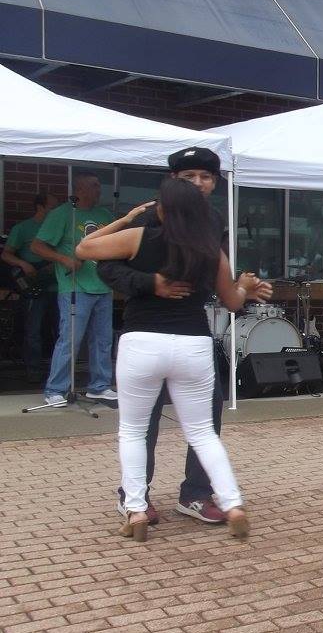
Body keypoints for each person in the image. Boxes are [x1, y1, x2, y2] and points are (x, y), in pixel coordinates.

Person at [76, 178, 269, 541]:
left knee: (133, 430)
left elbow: (85, 248)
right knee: (202, 434)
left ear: (160, 209)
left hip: (143, 342)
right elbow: (232, 302)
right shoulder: (212, 250)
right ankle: (233, 504)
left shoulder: (140, 237)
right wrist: (243, 285)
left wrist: (128, 218)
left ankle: (135, 509)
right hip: (192, 345)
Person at [98, 147, 236, 526]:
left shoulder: (213, 219)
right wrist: (148, 284)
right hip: (145, 332)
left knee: (207, 417)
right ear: (172, 180)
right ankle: (134, 497)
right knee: (144, 421)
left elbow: (218, 271)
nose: (198, 183)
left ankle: (195, 494)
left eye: (205, 177)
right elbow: (105, 266)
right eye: (188, 176)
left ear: (215, 182)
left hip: (192, 333)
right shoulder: (147, 215)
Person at [30, 172, 116, 406]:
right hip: (74, 286)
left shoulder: (104, 215)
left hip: (103, 286)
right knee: (70, 340)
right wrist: (62, 258)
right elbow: (37, 246)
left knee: (103, 340)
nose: (99, 190)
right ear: (80, 189)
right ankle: (55, 389)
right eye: (95, 185)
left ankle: (99, 386)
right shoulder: (62, 214)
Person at [2, 193, 60, 382]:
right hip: (33, 284)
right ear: (40, 207)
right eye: (52, 207)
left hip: (58, 286)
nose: (55, 211)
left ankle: (58, 370)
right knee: (32, 330)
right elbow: (6, 255)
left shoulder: (59, 227)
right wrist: (23, 264)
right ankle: (33, 369)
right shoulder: (23, 228)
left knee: (61, 330)